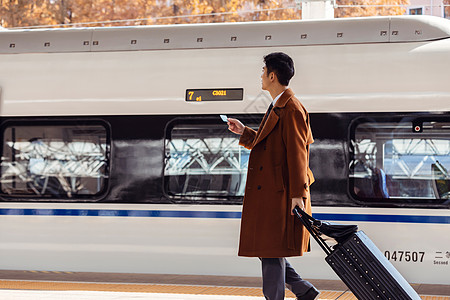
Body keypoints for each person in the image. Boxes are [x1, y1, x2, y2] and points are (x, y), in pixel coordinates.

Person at [227, 52, 319, 300]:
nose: (261, 76)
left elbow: (298, 153)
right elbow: (270, 142)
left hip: (282, 195)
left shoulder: (291, 109)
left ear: (272, 75)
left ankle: (282, 296)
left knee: (269, 251)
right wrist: (244, 132)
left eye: (263, 71)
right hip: (273, 194)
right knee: (268, 249)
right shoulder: (279, 105)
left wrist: (298, 195)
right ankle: (303, 290)